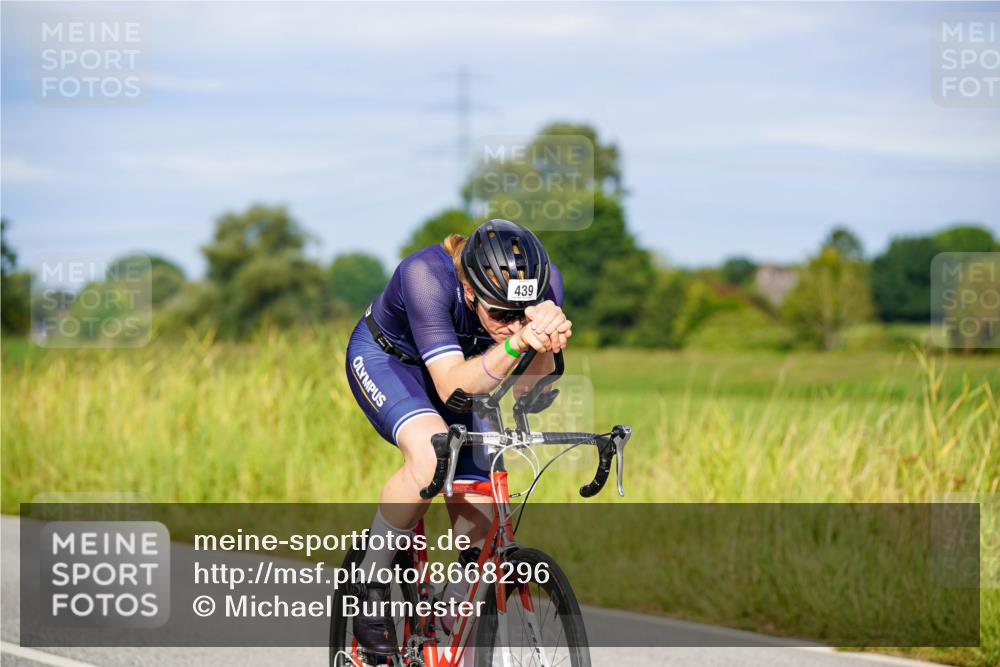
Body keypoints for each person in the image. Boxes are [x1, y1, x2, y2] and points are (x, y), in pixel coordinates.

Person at [344, 219, 572, 658]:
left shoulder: (547, 285)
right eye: (500, 315)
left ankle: (451, 620)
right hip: (392, 363)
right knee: (432, 455)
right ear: (470, 293)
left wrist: (545, 343)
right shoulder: (425, 276)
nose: (510, 325)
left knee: (483, 512)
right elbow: (453, 389)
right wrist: (518, 341)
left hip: (470, 369)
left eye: (520, 314)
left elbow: (527, 391)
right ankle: (369, 583)